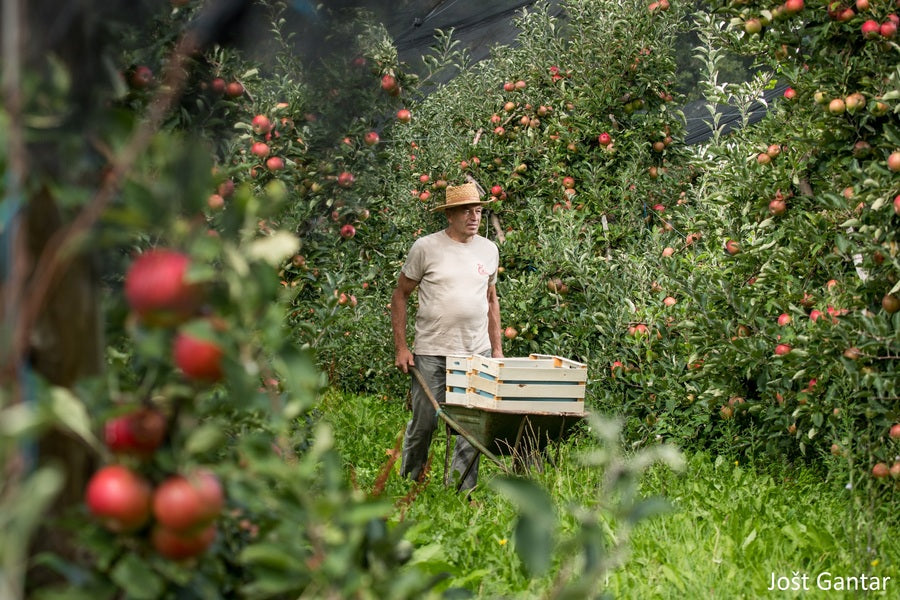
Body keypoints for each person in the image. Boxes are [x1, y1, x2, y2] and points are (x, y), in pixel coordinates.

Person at [391, 181, 503, 492]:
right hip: (432, 351)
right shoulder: (426, 248)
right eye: (466, 211)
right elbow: (400, 295)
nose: (474, 217)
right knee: (424, 422)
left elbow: (491, 299)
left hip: (476, 352)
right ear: (449, 215)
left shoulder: (489, 249)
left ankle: (461, 490)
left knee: (471, 425)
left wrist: (497, 349)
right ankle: (409, 482)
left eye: (478, 211)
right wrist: (401, 347)